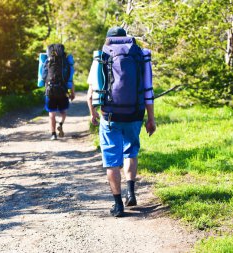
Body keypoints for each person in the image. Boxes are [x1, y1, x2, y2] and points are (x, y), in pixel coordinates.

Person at [86, 27, 156, 217]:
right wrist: (151, 118)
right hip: (135, 113)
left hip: (110, 115)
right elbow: (148, 91)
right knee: (131, 151)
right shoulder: (140, 54)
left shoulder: (101, 55)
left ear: (109, 39)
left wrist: (93, 113)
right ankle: (131, 193)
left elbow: (91, 93)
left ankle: (118, 205)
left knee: (111, 161)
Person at [42, 43, 75, 140]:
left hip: (50, 90)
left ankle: (53, 134)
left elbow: (44, 76)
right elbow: (70, 78)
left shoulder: (48, 61)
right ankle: (60, 123)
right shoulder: (65, 62)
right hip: (62, 90)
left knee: (51, 114)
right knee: (63, 112)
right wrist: (72, 92)